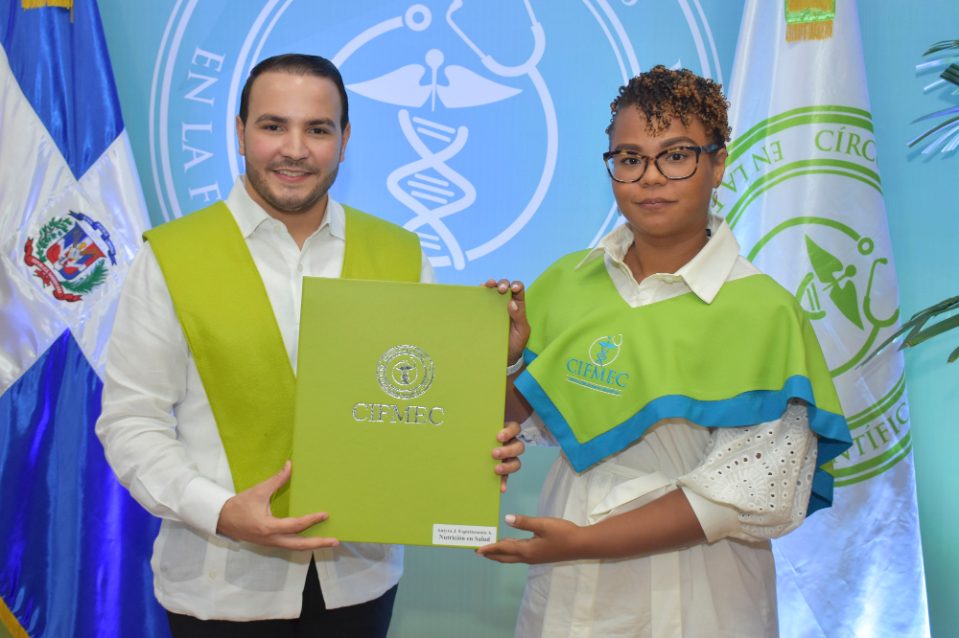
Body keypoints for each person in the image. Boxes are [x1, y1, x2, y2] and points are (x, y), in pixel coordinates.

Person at [96, 53, 524, 637]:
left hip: (360, 581)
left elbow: (422, 406)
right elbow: (131, 421)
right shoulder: (171, 257)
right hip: (221, 585)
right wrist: (220, 511)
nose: (294, 149)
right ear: (240, 133)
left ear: (344, 141)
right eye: (274, 125)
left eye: (318, 129)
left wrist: (477, 447)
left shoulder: (401, 255)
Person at [478, 66, 851, 637]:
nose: (650, 177)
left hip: (702, 595)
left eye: (676, 156)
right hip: (568, 590)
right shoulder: (566, 281)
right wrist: (509, 362)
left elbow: (742, 494)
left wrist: (584, 542)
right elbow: (525, 419)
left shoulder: (765, 312)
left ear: (718, 164)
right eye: (630, 159)